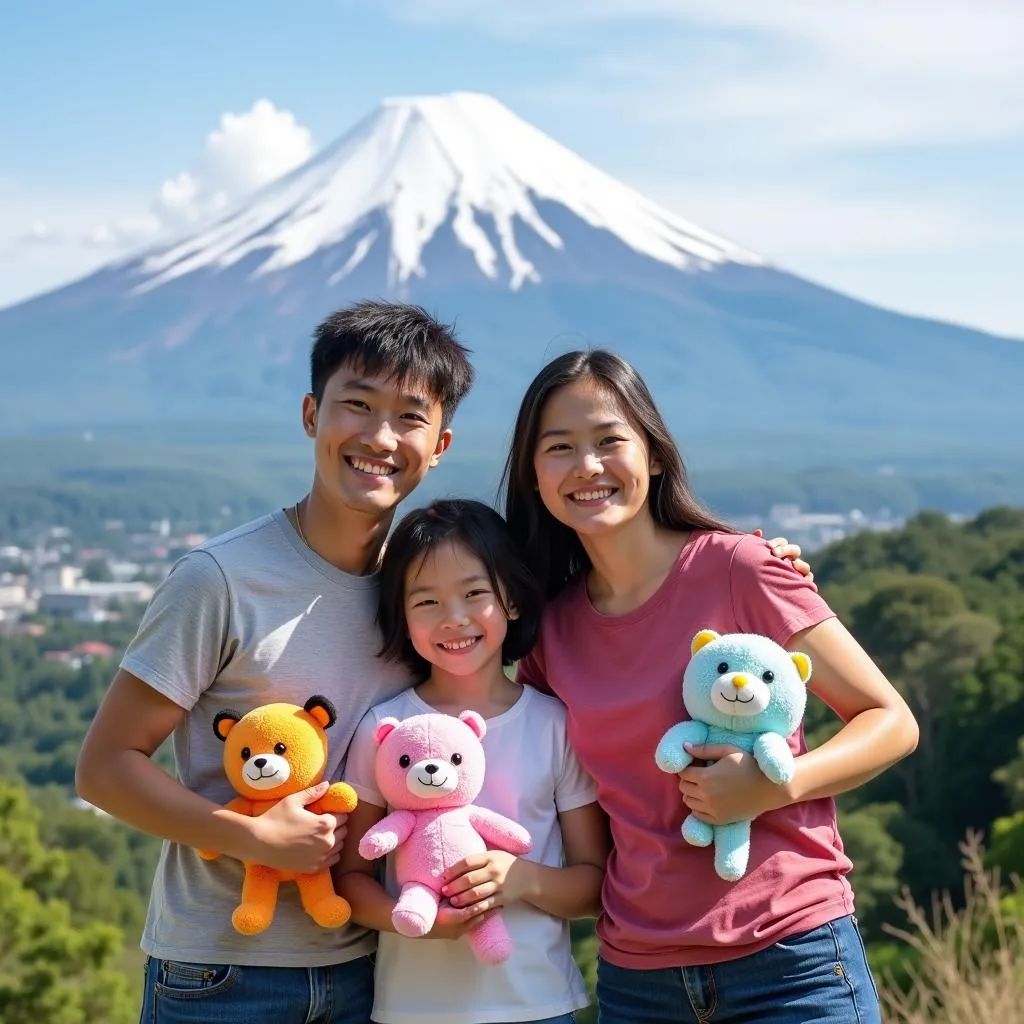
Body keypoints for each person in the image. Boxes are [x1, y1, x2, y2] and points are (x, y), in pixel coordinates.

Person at [74, 301, 475, 1024]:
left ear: (440, 443)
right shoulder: (221, 579)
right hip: (221, 972)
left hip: (368, 968)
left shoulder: (426, 594)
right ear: (310, 414)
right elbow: (105, 769)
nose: (380, 437)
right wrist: (252, 836)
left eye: (409, 417)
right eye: (357, 405)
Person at [493, 349, 920, 1024]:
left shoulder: (740, 569)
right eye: (559, 448)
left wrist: (775, 783)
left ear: (654, 455)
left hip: (791, 963)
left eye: (610, 440)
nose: (588, 466)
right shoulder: (550, 630)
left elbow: (890, 720)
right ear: (534, 476)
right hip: (638, 983)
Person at [339, 498, 610, 1024]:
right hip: (410, 1009)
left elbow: (594, 885)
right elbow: (351, 880)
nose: (454, 619)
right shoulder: (385, 729)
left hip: (538, 1004)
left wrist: (522, 878)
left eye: (474, 594)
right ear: (402, 615)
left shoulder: (554, 724)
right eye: (426, 602)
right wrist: (420, 920)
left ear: (510, 599)